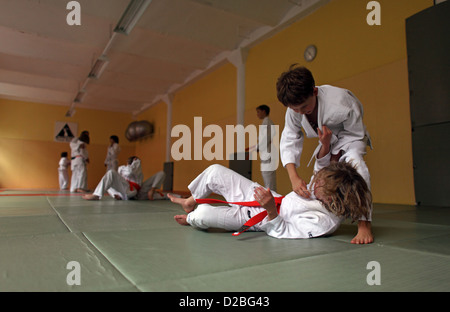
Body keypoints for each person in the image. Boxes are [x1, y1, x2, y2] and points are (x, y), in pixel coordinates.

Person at [276, 65, 373, 244]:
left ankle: (364, 223)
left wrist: (335, 155)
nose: (299, 112)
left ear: (314, 91)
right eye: (295, 109)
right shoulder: (294, 109)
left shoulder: (341, 101)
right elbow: (290, 138)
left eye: (304, 107)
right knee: (318, 181)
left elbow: (356, 134)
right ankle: (320, 212)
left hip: (351, 140)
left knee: (358, 166)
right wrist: (294, 177)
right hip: (326, 142)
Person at [255, 105, 277, 192]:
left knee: (269, 180)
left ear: (264, 111)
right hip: (266, 153)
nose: (257, 114)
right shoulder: (266, 122)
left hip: (268, 154)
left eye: (258, 112)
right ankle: (272, 197)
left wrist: (257, 147)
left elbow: (266, 138)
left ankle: (273, 199)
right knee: (268, 178)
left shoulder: (267, 122)